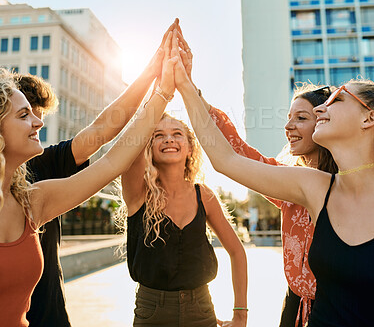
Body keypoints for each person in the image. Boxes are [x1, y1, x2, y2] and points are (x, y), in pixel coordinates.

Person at [175, 48, 374, 326]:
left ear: (369, 119)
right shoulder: (308, 185)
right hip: (297, 311)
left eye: (337, 99)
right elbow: (230, 156)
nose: (289, 126)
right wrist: (186, 86)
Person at [0, 25, 178, 327]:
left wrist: (162, 90)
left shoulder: (33, 201)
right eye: (24, 115)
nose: (38, 124)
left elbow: (111, 162)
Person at [120, 31, 248, 327]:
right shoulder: (138, 192)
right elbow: (133, 137)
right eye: (158, 135)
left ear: (190, 147)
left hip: (201, 309)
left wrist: (240, 314)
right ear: (148, 146)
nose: (169, 139)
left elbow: (237, 251)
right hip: (151, 311)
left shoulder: (205, 196)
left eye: (178, 134)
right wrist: (161, 80)